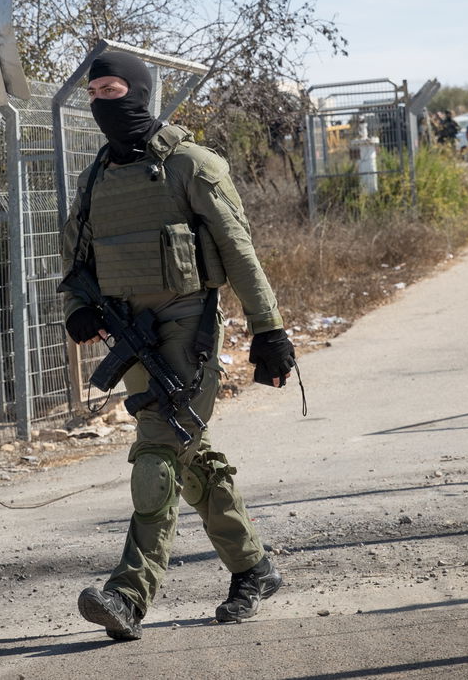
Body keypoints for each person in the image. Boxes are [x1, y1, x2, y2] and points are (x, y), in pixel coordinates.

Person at [61, 51, 296, 642]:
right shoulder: (96, 177)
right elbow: (74, 259)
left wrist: (269, 330)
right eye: (94, 94)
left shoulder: (192, 164)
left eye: (113, 89)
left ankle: (128, 594)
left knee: (157, 451)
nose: (103, 103)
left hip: (187, 324)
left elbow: (239, 251)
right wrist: (78, 309)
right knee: (190, 455)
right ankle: (253, 567)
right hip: (127, 329)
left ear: (141, 92)